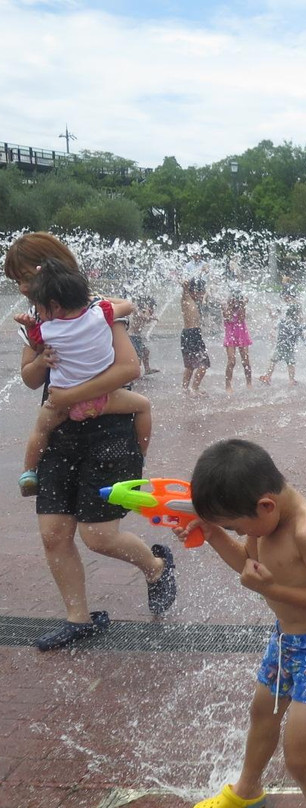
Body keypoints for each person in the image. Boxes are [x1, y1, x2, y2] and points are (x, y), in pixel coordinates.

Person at [4, 232, 176, 652]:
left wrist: (71, 397)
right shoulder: (41, 315)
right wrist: (39, 355)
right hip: (61, 431)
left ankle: (155, 567)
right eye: (17, 282)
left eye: (25, 277)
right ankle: (78, 618)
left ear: (47, 266)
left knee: (98, 535)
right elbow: (30, 380)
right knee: (53, 534)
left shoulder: (94, 306)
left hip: (108, 429)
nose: (22, 289)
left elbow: (128, 367)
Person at [179, 439, 306, 808]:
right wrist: (213, 534)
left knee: (300, 760)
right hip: (285, 640)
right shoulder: (262, 521)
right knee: (262, 714)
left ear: (265, 506)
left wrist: (272, 587)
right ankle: (247, 792)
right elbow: (246, 563)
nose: (242, 535)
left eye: (237, 527)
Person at [18, 259, 153, 497]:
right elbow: (128, 306)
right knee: (143, 407)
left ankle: (29, 471)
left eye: (38, 309)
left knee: (41, 429)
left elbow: (35, 343)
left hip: (61, 403)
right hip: (104, 399)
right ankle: (140, 457)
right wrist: (95, 298)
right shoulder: (101, 313)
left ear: (54, 306)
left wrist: (30, 326)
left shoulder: (47, 329)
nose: (37, 314)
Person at [260, 290, 306, 386]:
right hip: (290, 346)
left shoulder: (284, 321)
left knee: (273, 360)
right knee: (290, 362)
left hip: (280, 345)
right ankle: (291, 380)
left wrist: (270, 311)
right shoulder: (298, 324)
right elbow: (305, 338)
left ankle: (268, 376)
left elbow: (275, 321)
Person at [181, 276, 211, 394]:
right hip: (192, 334)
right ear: (194, 291)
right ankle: (195, 388)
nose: (202, 295)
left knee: (190, 365)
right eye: (201, 292)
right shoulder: (187, 298)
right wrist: (185, 285)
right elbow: (185, 288)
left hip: (190, 334)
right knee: (204, 363)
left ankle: (185, 389)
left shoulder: (193, 301)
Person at [223, 283, 253, 393]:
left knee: (245, 361)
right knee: (231, 361)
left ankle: (249, 383)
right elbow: (227, 318)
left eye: (236, 297)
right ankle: (228, 385)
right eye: (233, 297)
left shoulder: (241, 306)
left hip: (242, 334)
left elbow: (241, 318)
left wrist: (242, 304)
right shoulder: (225, 305)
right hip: (230, 335)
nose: (235, 300)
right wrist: (230, 305)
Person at [128, 296, 159, 376]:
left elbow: (146, 320)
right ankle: (133, 373)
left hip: (137, 336)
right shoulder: (139, 310)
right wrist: (152, 317)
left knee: (145, 352)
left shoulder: (145, 312)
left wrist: (151, 318)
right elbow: (142, 316)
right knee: (137, 355)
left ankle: (147, 369)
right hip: (131, 336)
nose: (152, 309)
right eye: (151, 306)